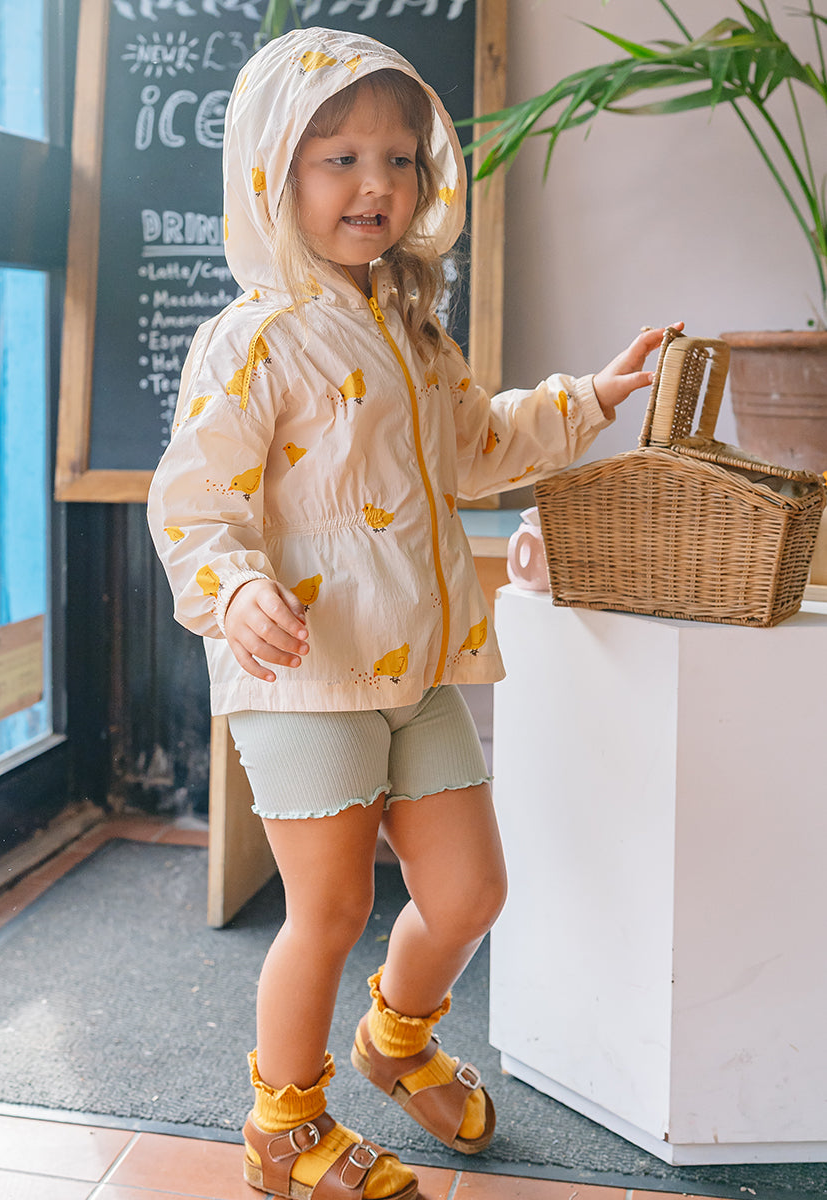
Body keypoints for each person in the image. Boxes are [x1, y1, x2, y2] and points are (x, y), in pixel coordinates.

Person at [148, 25, 678, 1200]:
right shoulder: (251, 340)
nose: (375, 184)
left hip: (422, 664)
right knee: (331, 908)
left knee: (472, 893)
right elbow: (194, 506)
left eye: (397, 159)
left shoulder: (412, 326)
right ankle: (284, 1127)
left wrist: (590, 398)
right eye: (339, 159)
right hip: (306, 676)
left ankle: (395, 1039)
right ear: (274, 174)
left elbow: (479, 445)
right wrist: (237, 590)